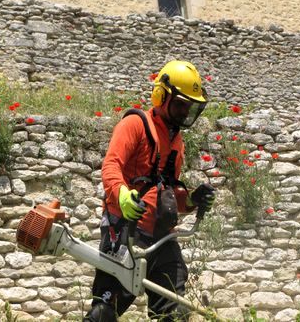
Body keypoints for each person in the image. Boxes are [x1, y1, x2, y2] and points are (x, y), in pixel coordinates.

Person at [84, 60, 216, 322]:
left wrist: (190, 199)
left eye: (189, 107)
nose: (184, 112)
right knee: (105, 312)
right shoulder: (134, 124)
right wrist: (121, 194)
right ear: (161, 96)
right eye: (180, 104)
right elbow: (112, 164)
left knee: (175, 311)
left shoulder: (175, 141)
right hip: (126, 230)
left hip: (161, 236)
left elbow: (166, 191)